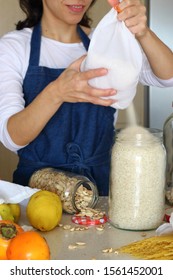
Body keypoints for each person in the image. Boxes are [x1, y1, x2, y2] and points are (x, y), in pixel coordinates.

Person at [0, 0, 173, 196]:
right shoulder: (14, 47)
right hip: (36, 195)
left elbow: (168, 77)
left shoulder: (106, 42)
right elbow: (11, 137)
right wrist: (57, 92)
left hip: (101, 193)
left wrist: (143, 32)